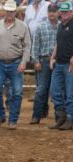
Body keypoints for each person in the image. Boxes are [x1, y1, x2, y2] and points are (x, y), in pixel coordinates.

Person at [0, 0, 31, 130]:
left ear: (15, 11)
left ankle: (13, 120)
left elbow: (27, 46)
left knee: (17, 92)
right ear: (5, 11)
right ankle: (0, 115)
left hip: (16, 63)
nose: (9, 13)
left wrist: (23, 62)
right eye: (8, 11)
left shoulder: (23, 27)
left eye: (12, 11)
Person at [30, 3, 59, 124]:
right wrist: (36, 61)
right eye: (49, 11)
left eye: (53, 11)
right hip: (44, 60)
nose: (51, 13)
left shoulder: (62, 27)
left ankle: (59, 117)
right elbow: (35, 46)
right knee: (41, 89)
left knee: (57, 90)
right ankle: (36, 115)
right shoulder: (41, 27)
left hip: (59, 61)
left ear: (58, 13)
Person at [48, 1, 73, 130]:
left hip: (69, 64)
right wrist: (52, 57)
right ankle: (61, 117)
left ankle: (70, 119)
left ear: (71, 12)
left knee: (70, 94)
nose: (64, 13)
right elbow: (58, 43)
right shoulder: (60, 26)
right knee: (55, 91)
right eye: (62, 11)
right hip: (59, 63)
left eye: (66, 11)